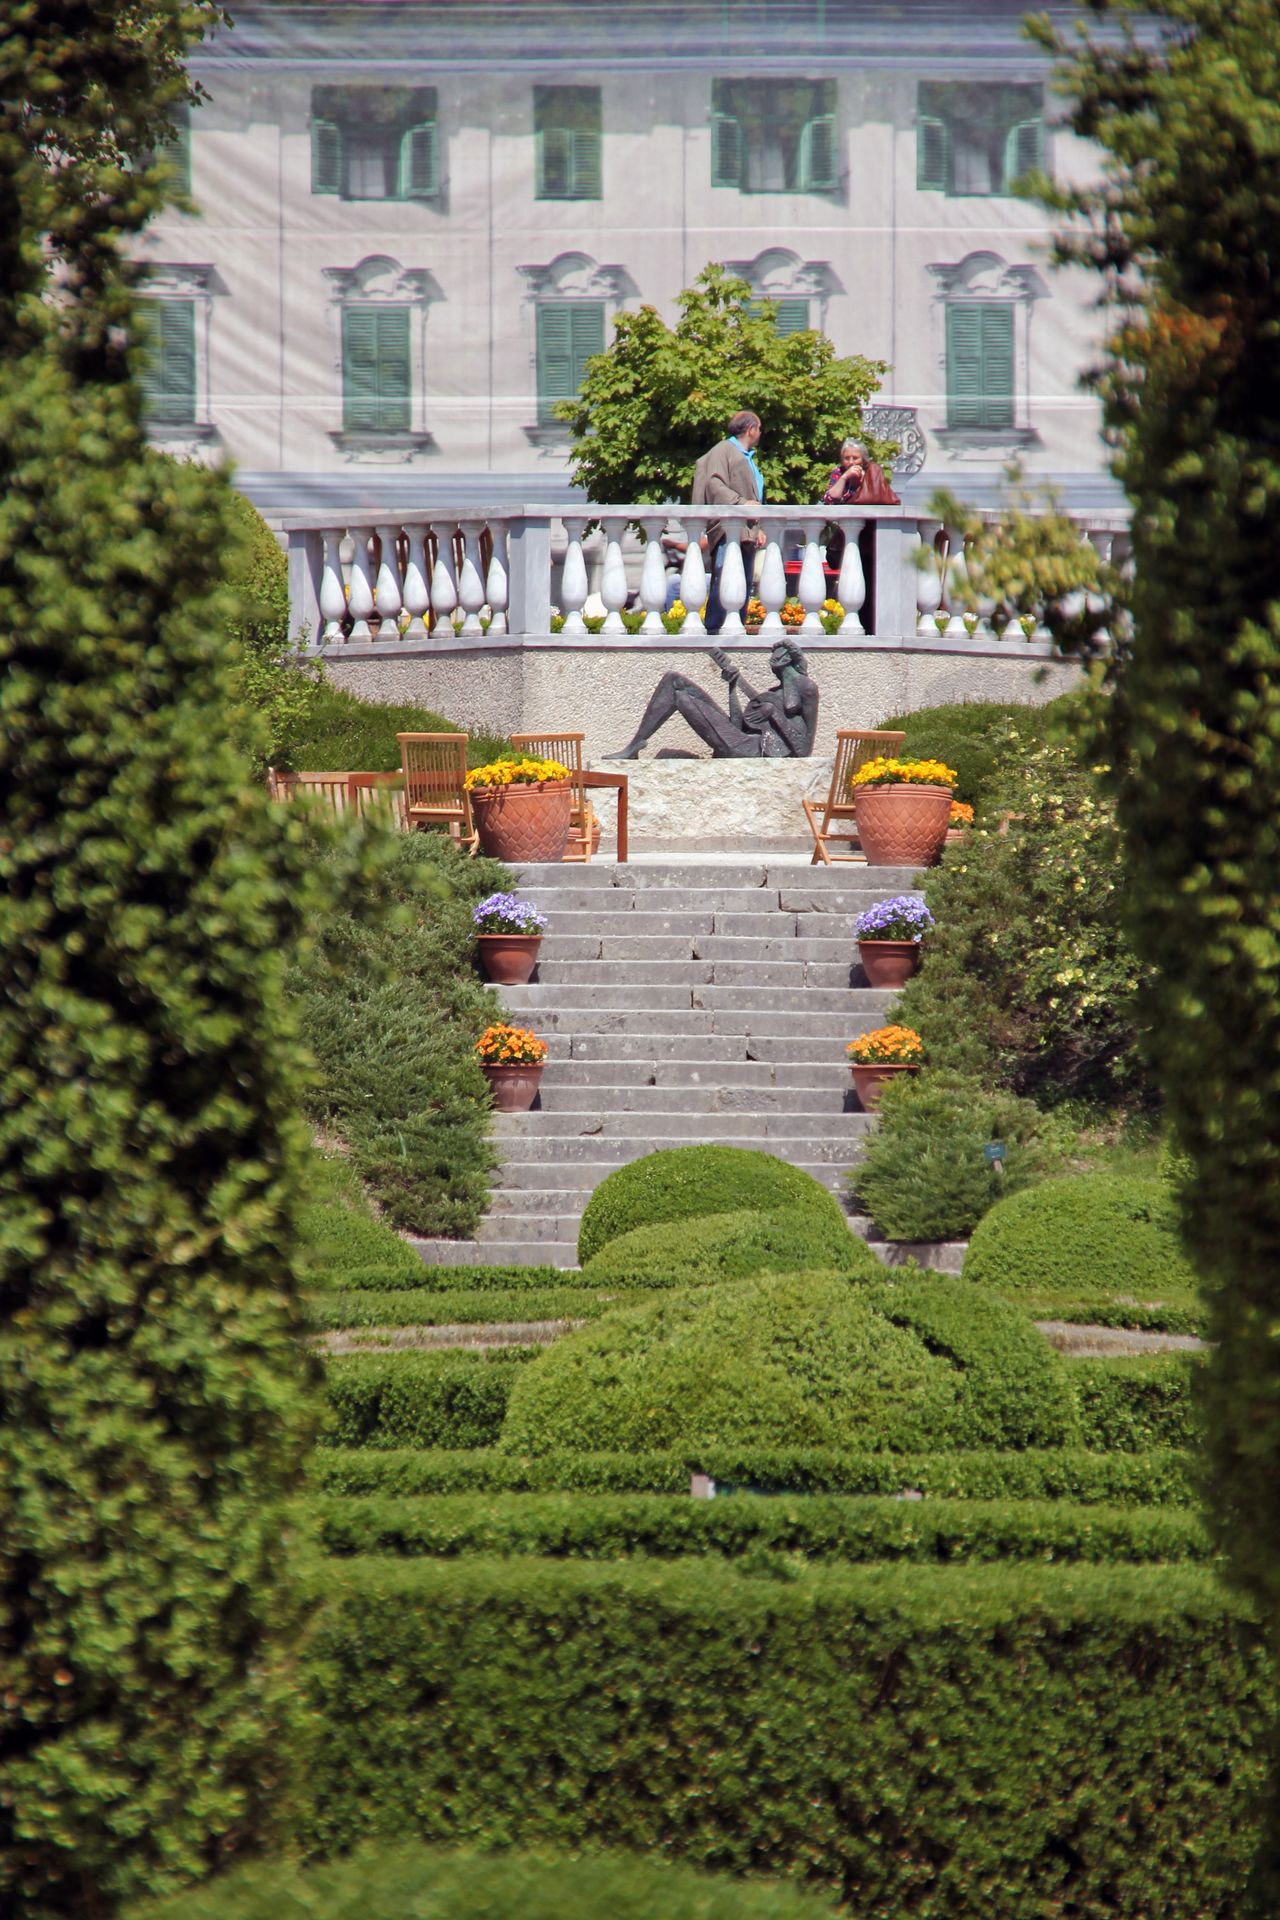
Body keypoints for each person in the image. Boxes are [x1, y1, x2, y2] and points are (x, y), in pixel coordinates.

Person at [604, 641, 819, 761]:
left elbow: (803, 750)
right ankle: (635, 745)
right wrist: (733, 686)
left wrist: (775, 715)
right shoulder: (774, 692)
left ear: (789, 658)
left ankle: (633, 748)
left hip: (751, 749)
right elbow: (737, 725)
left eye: (778, 655)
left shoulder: (807, 689)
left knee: (680, 695)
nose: (772, 659)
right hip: (742, 741)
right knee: (674, 680)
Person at [691, 409, 769, 634]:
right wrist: (741, 502)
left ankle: (735, 628)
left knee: (741, 583)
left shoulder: (748, 456)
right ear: (751, 429)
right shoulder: (724, 450)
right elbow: (714, 485)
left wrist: (759, 526)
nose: (760, 433)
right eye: (759, 428)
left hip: (748, 530)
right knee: (724, 579)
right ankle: (714, 630)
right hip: (728, 529)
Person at [823, 436, 900, 573]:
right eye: (847, 458)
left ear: (863, 459)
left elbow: (879, 497)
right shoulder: (839, 473)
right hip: (849, 529)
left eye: (855, 458)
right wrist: (845, 477)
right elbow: (830, 498)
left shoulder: (872, 473)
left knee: (868, 570)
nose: (851, 462)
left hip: (871, 531)